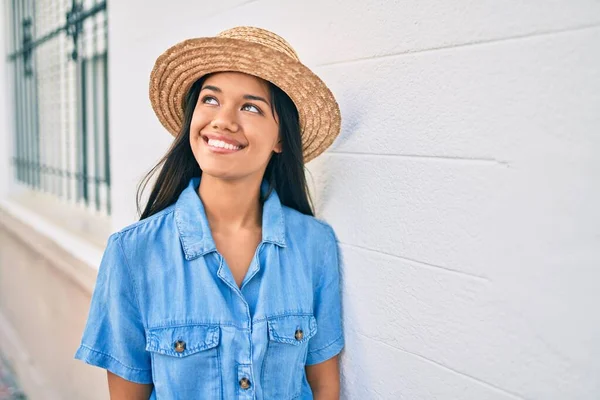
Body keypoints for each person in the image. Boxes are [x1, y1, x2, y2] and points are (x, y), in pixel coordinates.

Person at [74, 26, 344, 399]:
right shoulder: (132, 254)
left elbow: (323, 384)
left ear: (281, 138)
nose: (223, 120)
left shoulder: (315, 245)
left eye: (251, 107)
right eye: (210, 100)